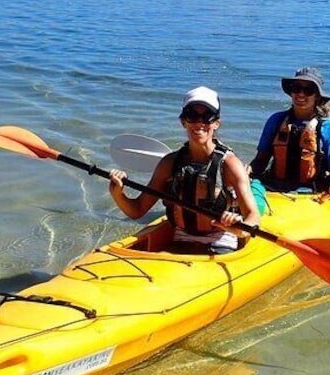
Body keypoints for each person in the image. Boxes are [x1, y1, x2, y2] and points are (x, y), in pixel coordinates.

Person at [108, 86, 260, 255]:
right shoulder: (169, 163)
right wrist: (118, 194)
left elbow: (253, 217)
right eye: (192, 116)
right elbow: (137, 210)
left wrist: (238, 227)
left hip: (220, 245)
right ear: (183, 121)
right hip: (181, 242)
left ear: (216, 123)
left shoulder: (230, 165)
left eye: (206, 117)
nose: (199, 123)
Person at [248, 67, 330, 201]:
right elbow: (260, 161)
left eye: (308, 90)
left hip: (312, 194)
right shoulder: (276, 121)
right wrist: (247, 170)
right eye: (296, 88)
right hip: (273, 188)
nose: (301, 94)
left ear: (317, 96)